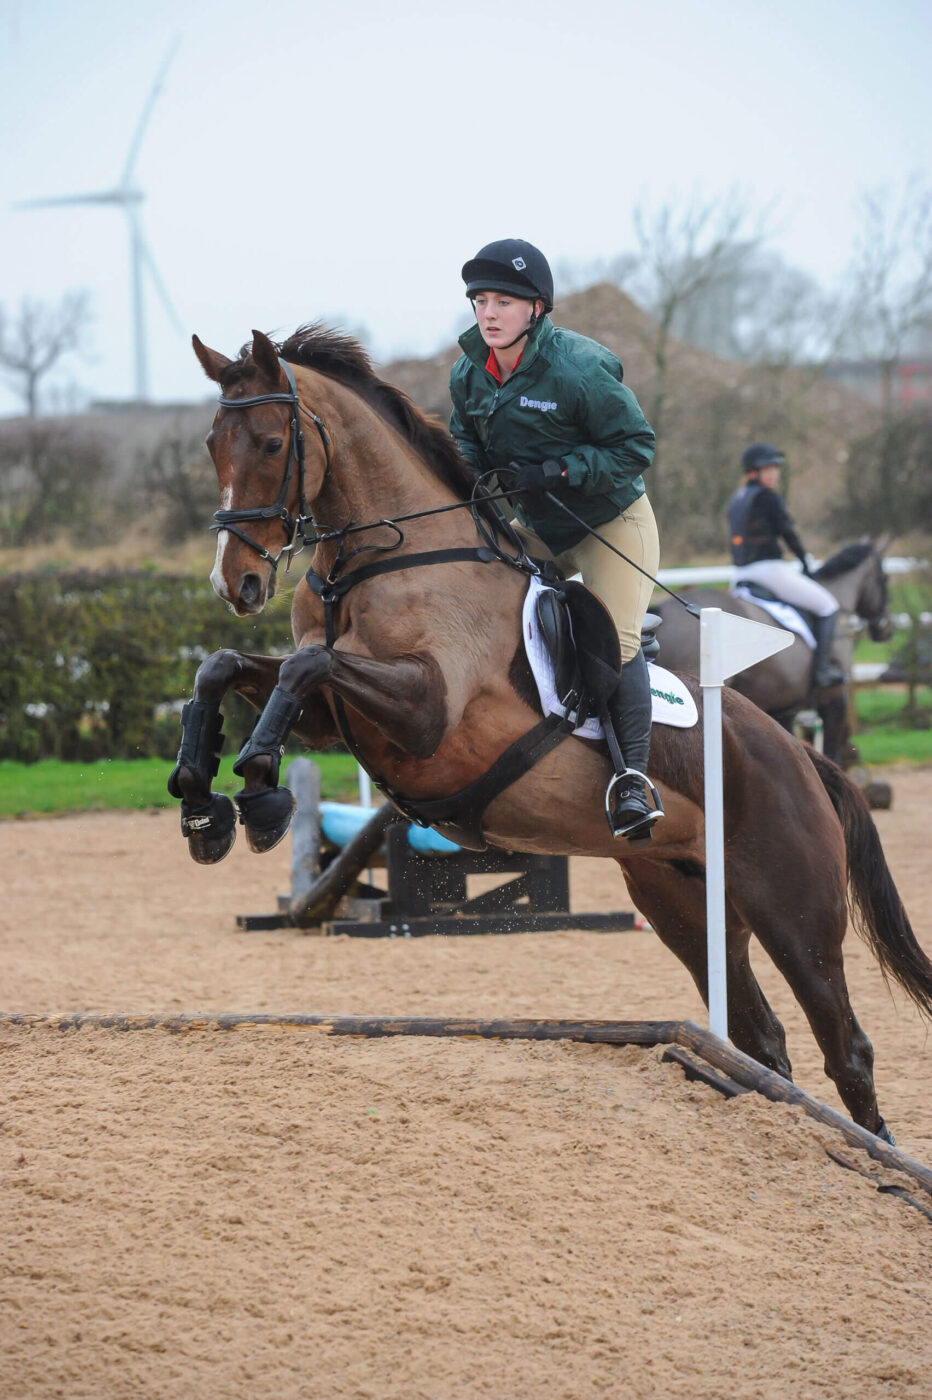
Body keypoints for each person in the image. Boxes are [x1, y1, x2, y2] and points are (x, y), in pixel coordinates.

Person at [449, 237, 661, 840]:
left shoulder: (578, 367)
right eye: (480, 300)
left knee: (612, 645)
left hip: (610, 525)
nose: (488, 313)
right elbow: (467, 447)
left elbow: (635, 447)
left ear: (536, 308)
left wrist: (560, 470)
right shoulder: (468, 373)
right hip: (539, 529)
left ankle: (632, 782)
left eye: (503, 302)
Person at [727, 442, 844, 688]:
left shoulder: (736, 500)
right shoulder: (768, 498)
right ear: (752, 472)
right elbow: (787, 532)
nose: (774, 474)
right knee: (828, 606)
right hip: (769, 570)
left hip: (739, 575)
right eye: (768, 469)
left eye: (775, 468)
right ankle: (822, 672)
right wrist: (804, 561)